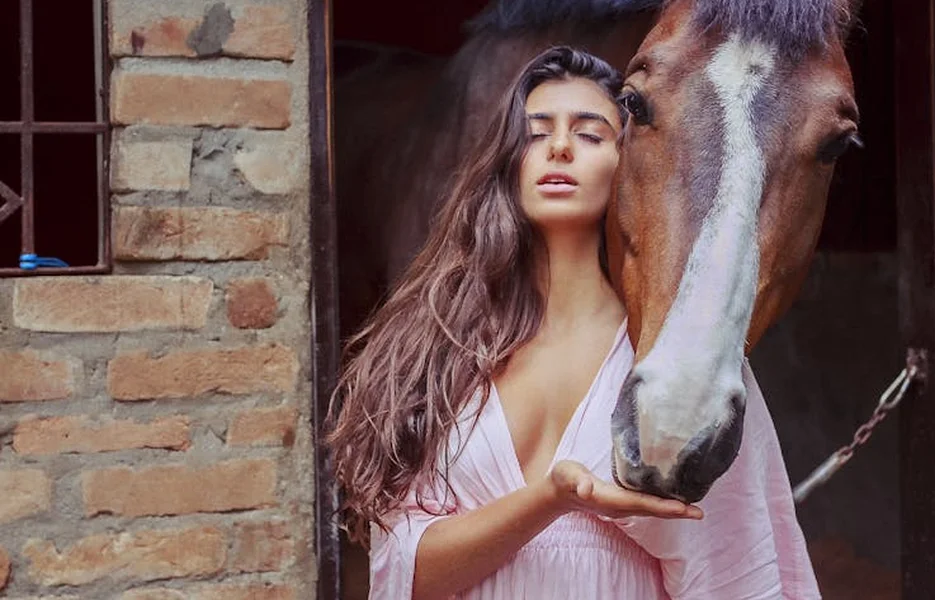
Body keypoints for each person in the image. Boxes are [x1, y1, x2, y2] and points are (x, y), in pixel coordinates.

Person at [326, 46, 820, 600]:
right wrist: (553, 497)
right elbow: (408, 576)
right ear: (509, 162)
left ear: (628, 165)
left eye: (589, 134)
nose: (559, 147)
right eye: (535, 134)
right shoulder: (442, 349)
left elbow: (738, 580)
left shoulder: (682, 365)